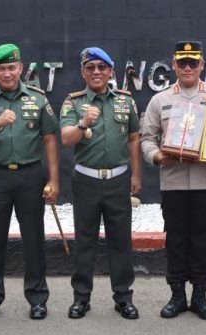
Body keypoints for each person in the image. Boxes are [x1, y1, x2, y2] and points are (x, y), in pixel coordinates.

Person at [0, 43, 59, 321]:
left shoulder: (38, 98)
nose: (7, 73)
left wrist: (54, 180)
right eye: (1, 69)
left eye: (11, 67)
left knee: (34, 240)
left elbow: (50, 139)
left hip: (31, 175)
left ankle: (38, 298)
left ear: (20, 68)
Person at [140, 41, 206, 320]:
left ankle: (200, 297)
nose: (188, 67)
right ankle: (177, 296)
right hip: (174, 182)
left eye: (193, 62)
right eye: (183, 63)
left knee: (203, 240)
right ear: (174, 65)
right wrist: (156, 157)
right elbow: (147, 139)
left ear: (202, 64)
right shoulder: (161, 100)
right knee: (176, 240)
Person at [59, 47, 141, 320]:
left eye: (101, 68)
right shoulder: (73, 103)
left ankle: (123, 298)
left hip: (118, 180)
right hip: (86, 181)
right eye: (90, 68)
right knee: (85, 241)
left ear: (110, 71)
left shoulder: (125, 101)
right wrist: (83, 123)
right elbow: (66, 139)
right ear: (83, 72)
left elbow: (133, 139)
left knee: (121, 242)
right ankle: (81, 298)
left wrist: (137, 176)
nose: (96, 72)